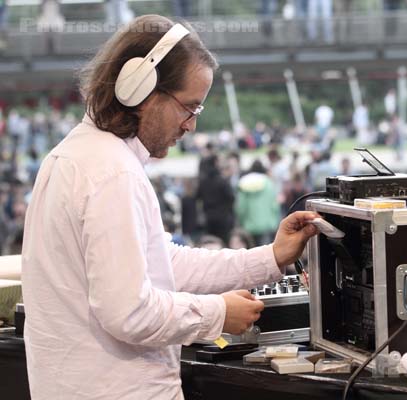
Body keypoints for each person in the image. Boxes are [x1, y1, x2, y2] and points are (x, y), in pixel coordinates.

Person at [21, 15, 319, 400]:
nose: (191, 126)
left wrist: (270, 257)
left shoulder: (79, 156)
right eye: (190, 108)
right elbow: (129, 313)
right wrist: (216, 314)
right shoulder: (113, 174)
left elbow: (163, 264)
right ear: (140, 90)